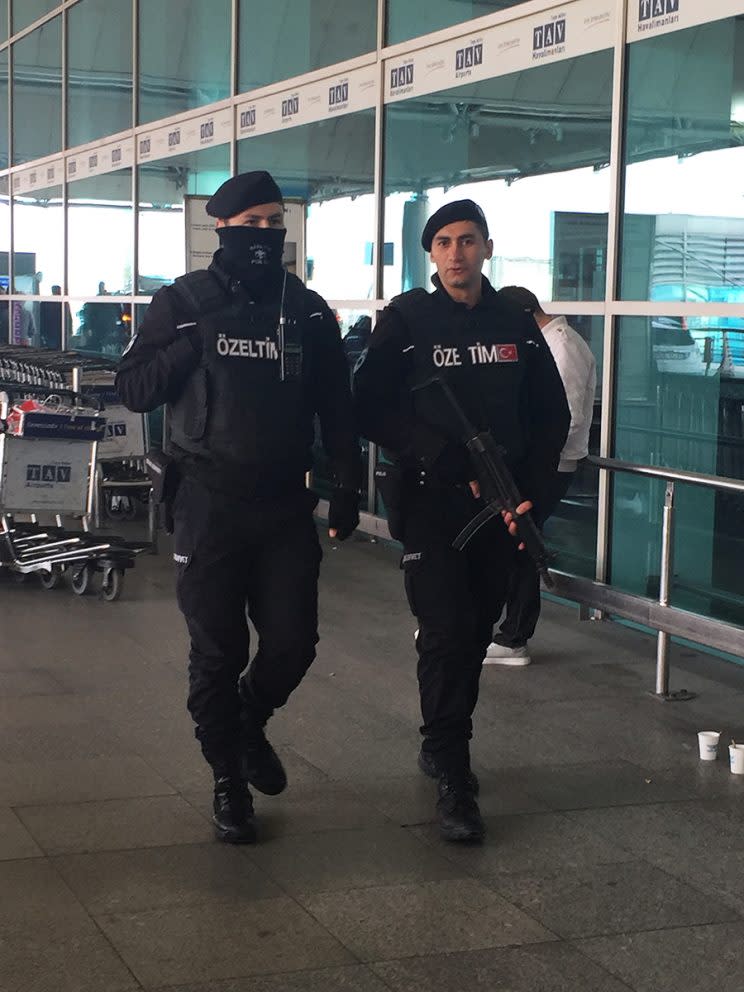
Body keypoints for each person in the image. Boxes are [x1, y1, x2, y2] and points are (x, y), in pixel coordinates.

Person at [116, 170, 361, 844]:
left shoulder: (307, 310)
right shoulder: (182, 302)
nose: (264, 235)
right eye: (250, 224)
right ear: (220, 229)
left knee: (293, 643)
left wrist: (349, 486)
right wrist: (194, 341)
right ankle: (227, 776)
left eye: (273, 222)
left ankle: (248, 720)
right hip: (208, 501)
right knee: (217, 653)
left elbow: (337, 407)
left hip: (284, 504)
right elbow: (132, 386)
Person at [354, 200, 569, 842]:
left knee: (473, 633)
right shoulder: (407, 322)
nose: (456, 254)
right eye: (444, 242)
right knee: (446, 630)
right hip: (429, 501)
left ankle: (439, 737)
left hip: (500, 507)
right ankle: (454, 770)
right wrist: (439, 453)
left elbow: (551, 416)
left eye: (467, 241)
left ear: (487, 247)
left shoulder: (515, 322)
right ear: (432, 254)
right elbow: (368, 408)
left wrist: (528, 494)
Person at [483, 286, 597, 667]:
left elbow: (568, 417)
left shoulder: (562, 346)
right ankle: (492, 628)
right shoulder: (543, 341)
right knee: (511, 542)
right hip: (532, 462)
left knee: (522, 545)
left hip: (551, 464)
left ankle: (514, 637)